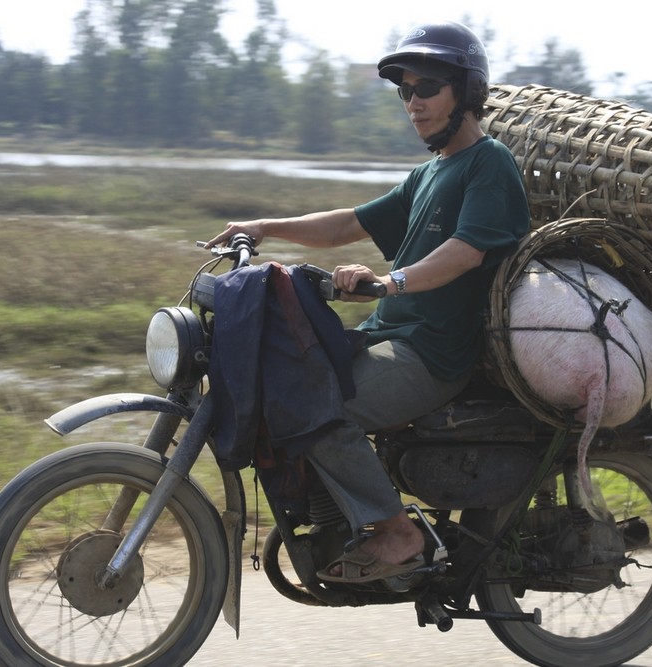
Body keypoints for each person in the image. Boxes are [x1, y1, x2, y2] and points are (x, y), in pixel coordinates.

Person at [206, 21, 530, 584]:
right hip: (387, 337)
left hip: (431, 355)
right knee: (281, 381)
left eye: (425, 87)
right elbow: (347, 224)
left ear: (465, 91)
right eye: (404, 91)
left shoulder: (488, 162)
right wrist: (263, 227)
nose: (413, 102)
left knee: (322, 411)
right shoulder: (429, 173)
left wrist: (389, 282)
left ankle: (396, 532)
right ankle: (334, 518)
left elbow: (466, 252)